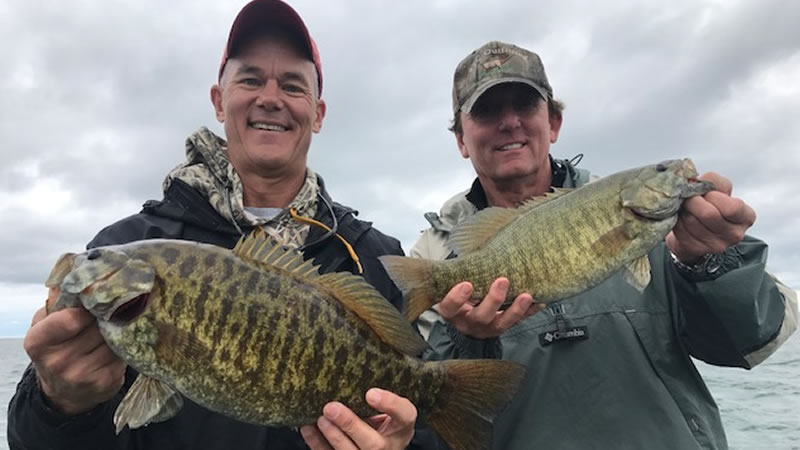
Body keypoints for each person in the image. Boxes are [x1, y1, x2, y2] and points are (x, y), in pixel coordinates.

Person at [7, 2, 442, 449]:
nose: (270, 98)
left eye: (292, 85)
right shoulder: (126, 242)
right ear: (219, 100)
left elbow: (425, 429)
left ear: (318, 112)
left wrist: (401, 445)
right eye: (251, 79)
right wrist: (59, 404)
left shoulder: (375, 258)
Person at [412, 40, 799, 450]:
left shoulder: (661, 224)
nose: (510, 123)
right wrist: (469, 339)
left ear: (554, 122)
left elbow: (750, 340)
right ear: (460, 139)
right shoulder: (432, 257)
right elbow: (428, 426)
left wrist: (712, 263)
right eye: (488, 110)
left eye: (525, 105)